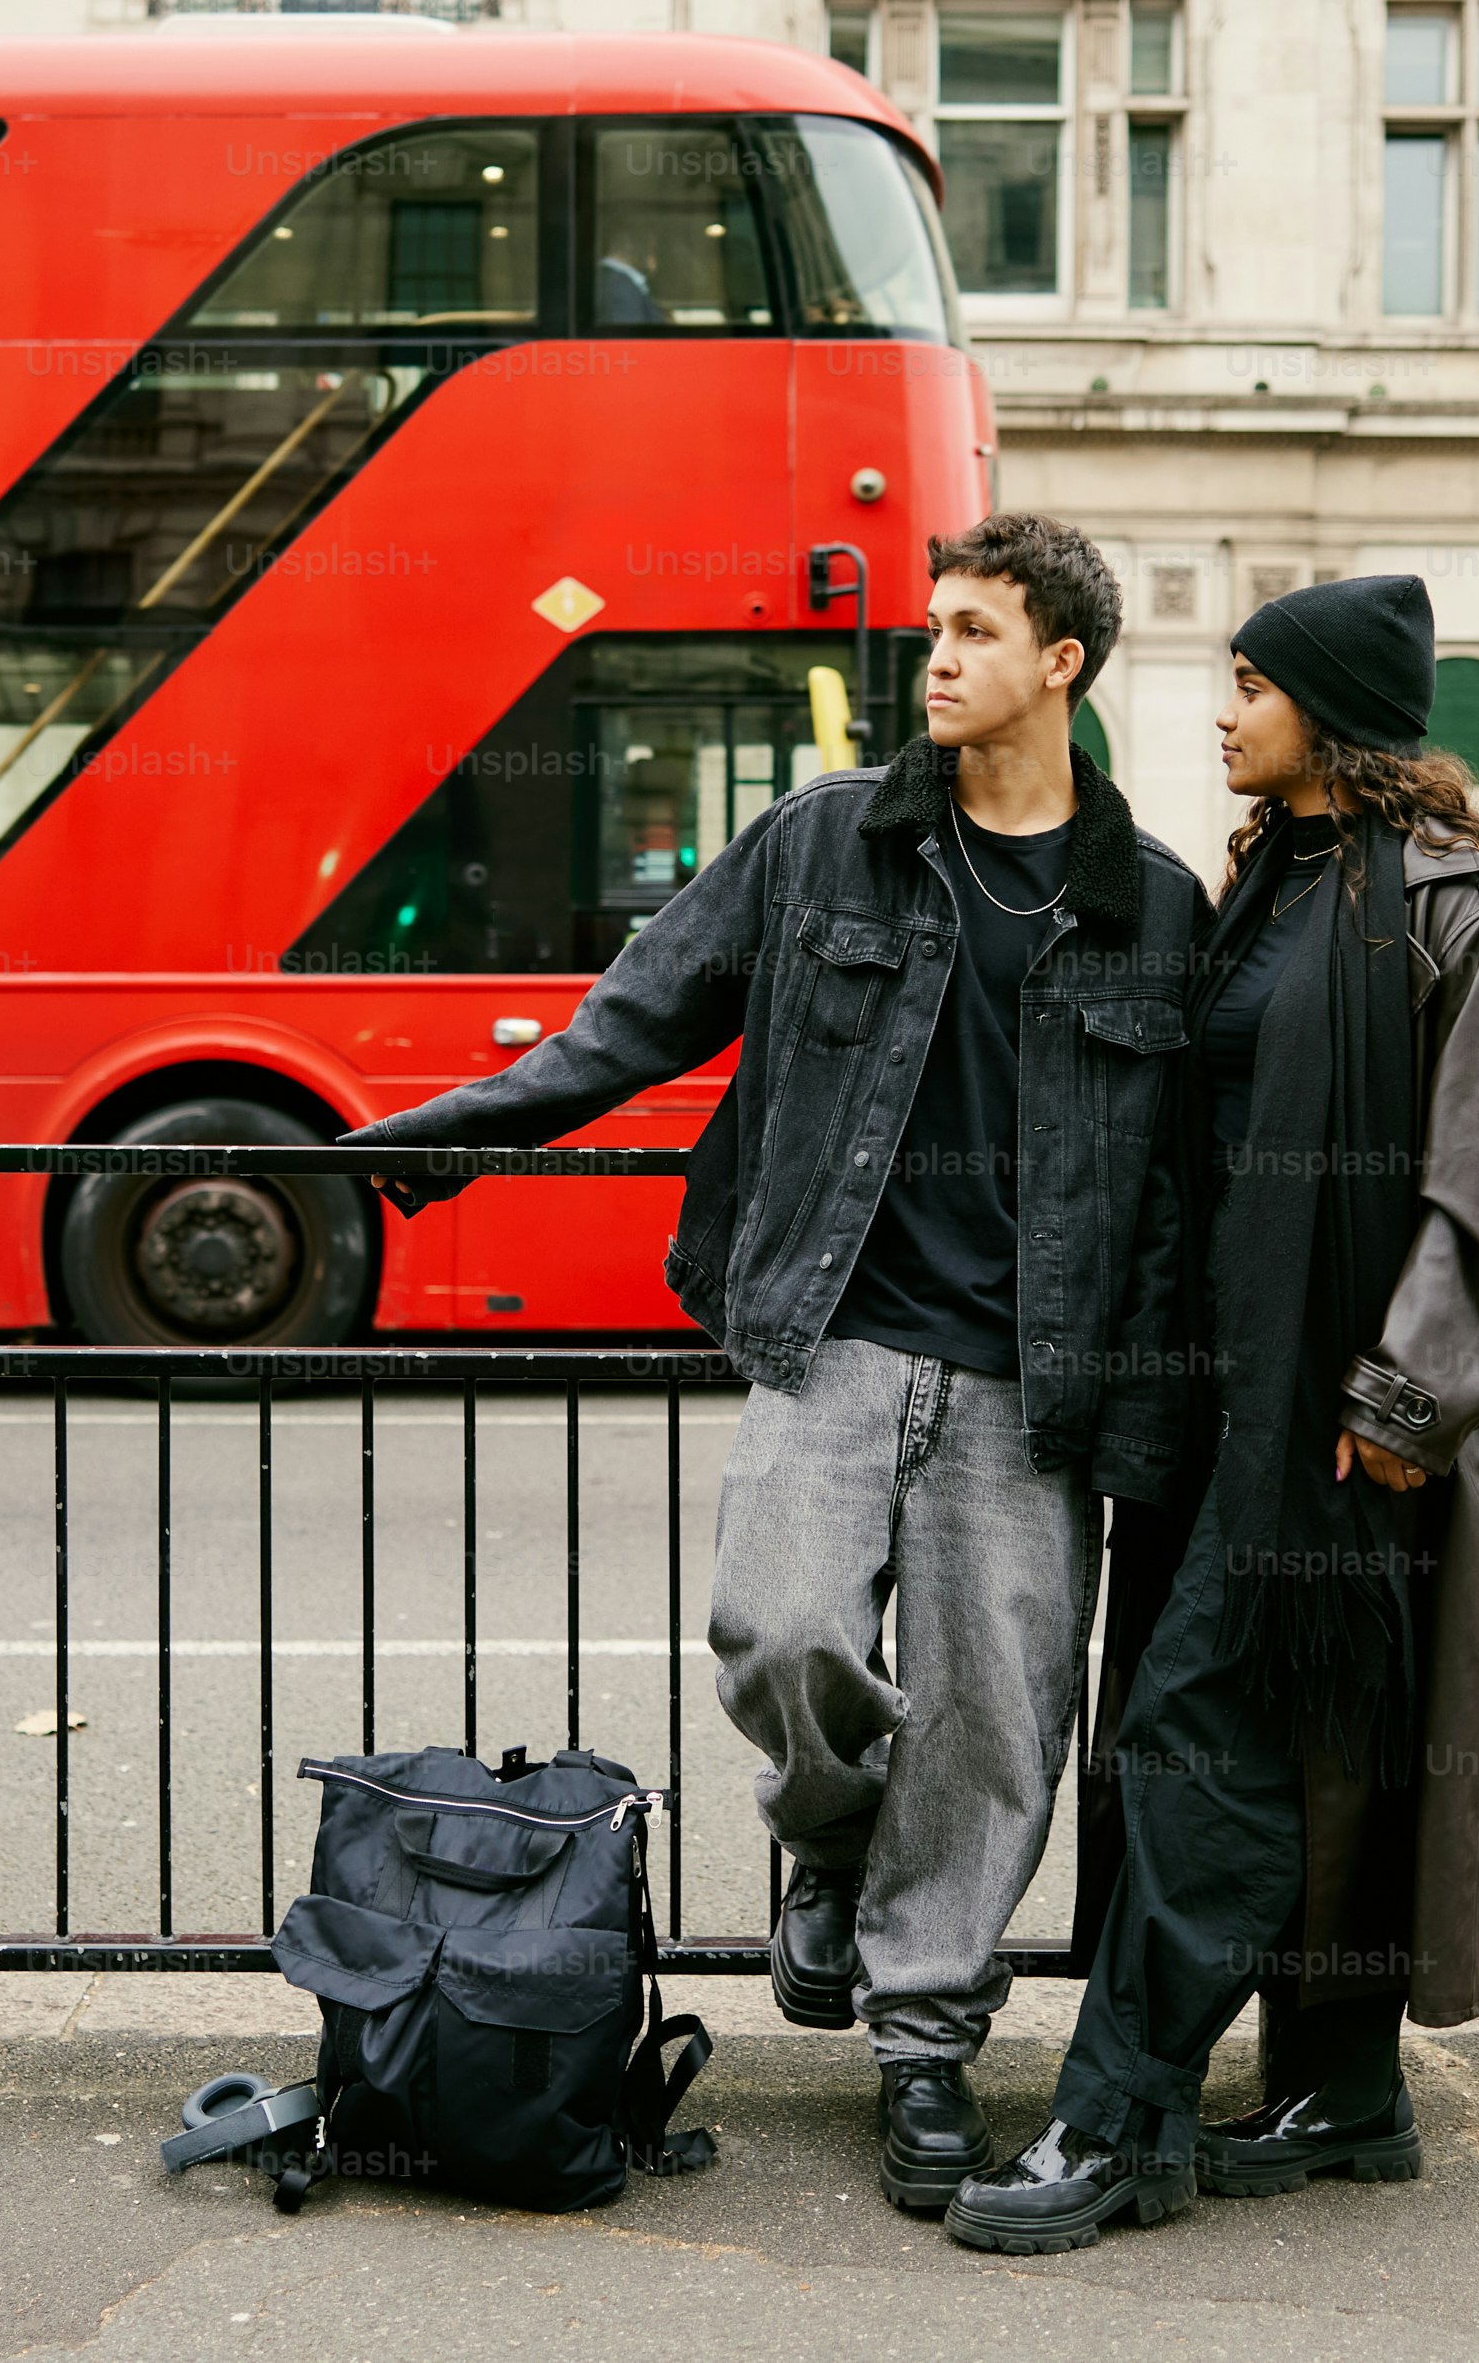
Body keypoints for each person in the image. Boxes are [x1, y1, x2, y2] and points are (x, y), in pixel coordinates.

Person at [344, 514, 1204, 2215]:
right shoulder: (827, 844)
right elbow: (633, 1020)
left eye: (974, 632)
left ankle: (924, 2044)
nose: (937, 658)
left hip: (1037, 1386)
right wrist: (432, 1139)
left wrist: (1164, 1418)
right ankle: (826, 1846)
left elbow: (1180, 1194)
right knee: (781, 1635)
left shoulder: (1151, 905)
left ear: (1064, 666)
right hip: (837, 1336)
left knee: (996, 1726)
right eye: (934, 628)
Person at [945, 571, 1479, 2255]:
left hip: (1340, 1424)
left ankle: (1116, 2116)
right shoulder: (1275, 883)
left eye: (1250, 685)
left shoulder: (1457, 908)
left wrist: (1397, 1398)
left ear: (1332, 716)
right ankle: (1343, 2089)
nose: (1222, 713)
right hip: (1225, 1402)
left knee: (1191, 1750)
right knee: (1299, 1756)